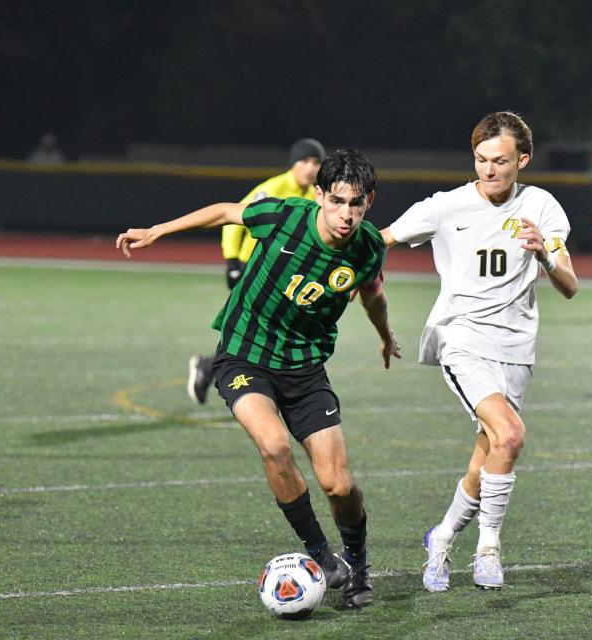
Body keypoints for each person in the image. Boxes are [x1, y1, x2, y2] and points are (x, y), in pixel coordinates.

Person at [117, 148, 400, 609]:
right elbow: (226, 212)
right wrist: (158, 231)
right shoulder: (284, 215)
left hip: (306, 370)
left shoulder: (368, 247)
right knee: (274, 447)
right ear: (319, 195)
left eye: (356, 204)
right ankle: (321, 557)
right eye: (336, 201)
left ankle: (358, 568)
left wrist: (385, 336)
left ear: (369, 202)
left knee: (340, 487)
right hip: (244, 357)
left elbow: (373, 295)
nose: (346, 215)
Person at [380, 112, 578, 592]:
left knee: (486, 458)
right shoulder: (447, 207)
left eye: (500, 161)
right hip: (462, 339)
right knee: (510, 436)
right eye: (481, 160)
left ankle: (441, 538)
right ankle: (488, 549)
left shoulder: (542, 207)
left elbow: (570, 286)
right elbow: (379, 239)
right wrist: (358, 285)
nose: (489, 170)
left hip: (516, 349)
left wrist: (545, 254)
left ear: (522, 161)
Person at [187, 138, 326, 404]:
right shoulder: (273, 188)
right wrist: (232, 262)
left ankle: (211, 367)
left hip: (285, 275)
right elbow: (231, 220)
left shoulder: (314, 195)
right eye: (305, 161)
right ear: (293, 163)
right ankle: (217, 368)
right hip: (255, 270)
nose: (310, 167)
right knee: (258, 334)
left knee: (266, 335)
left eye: (316, 162)